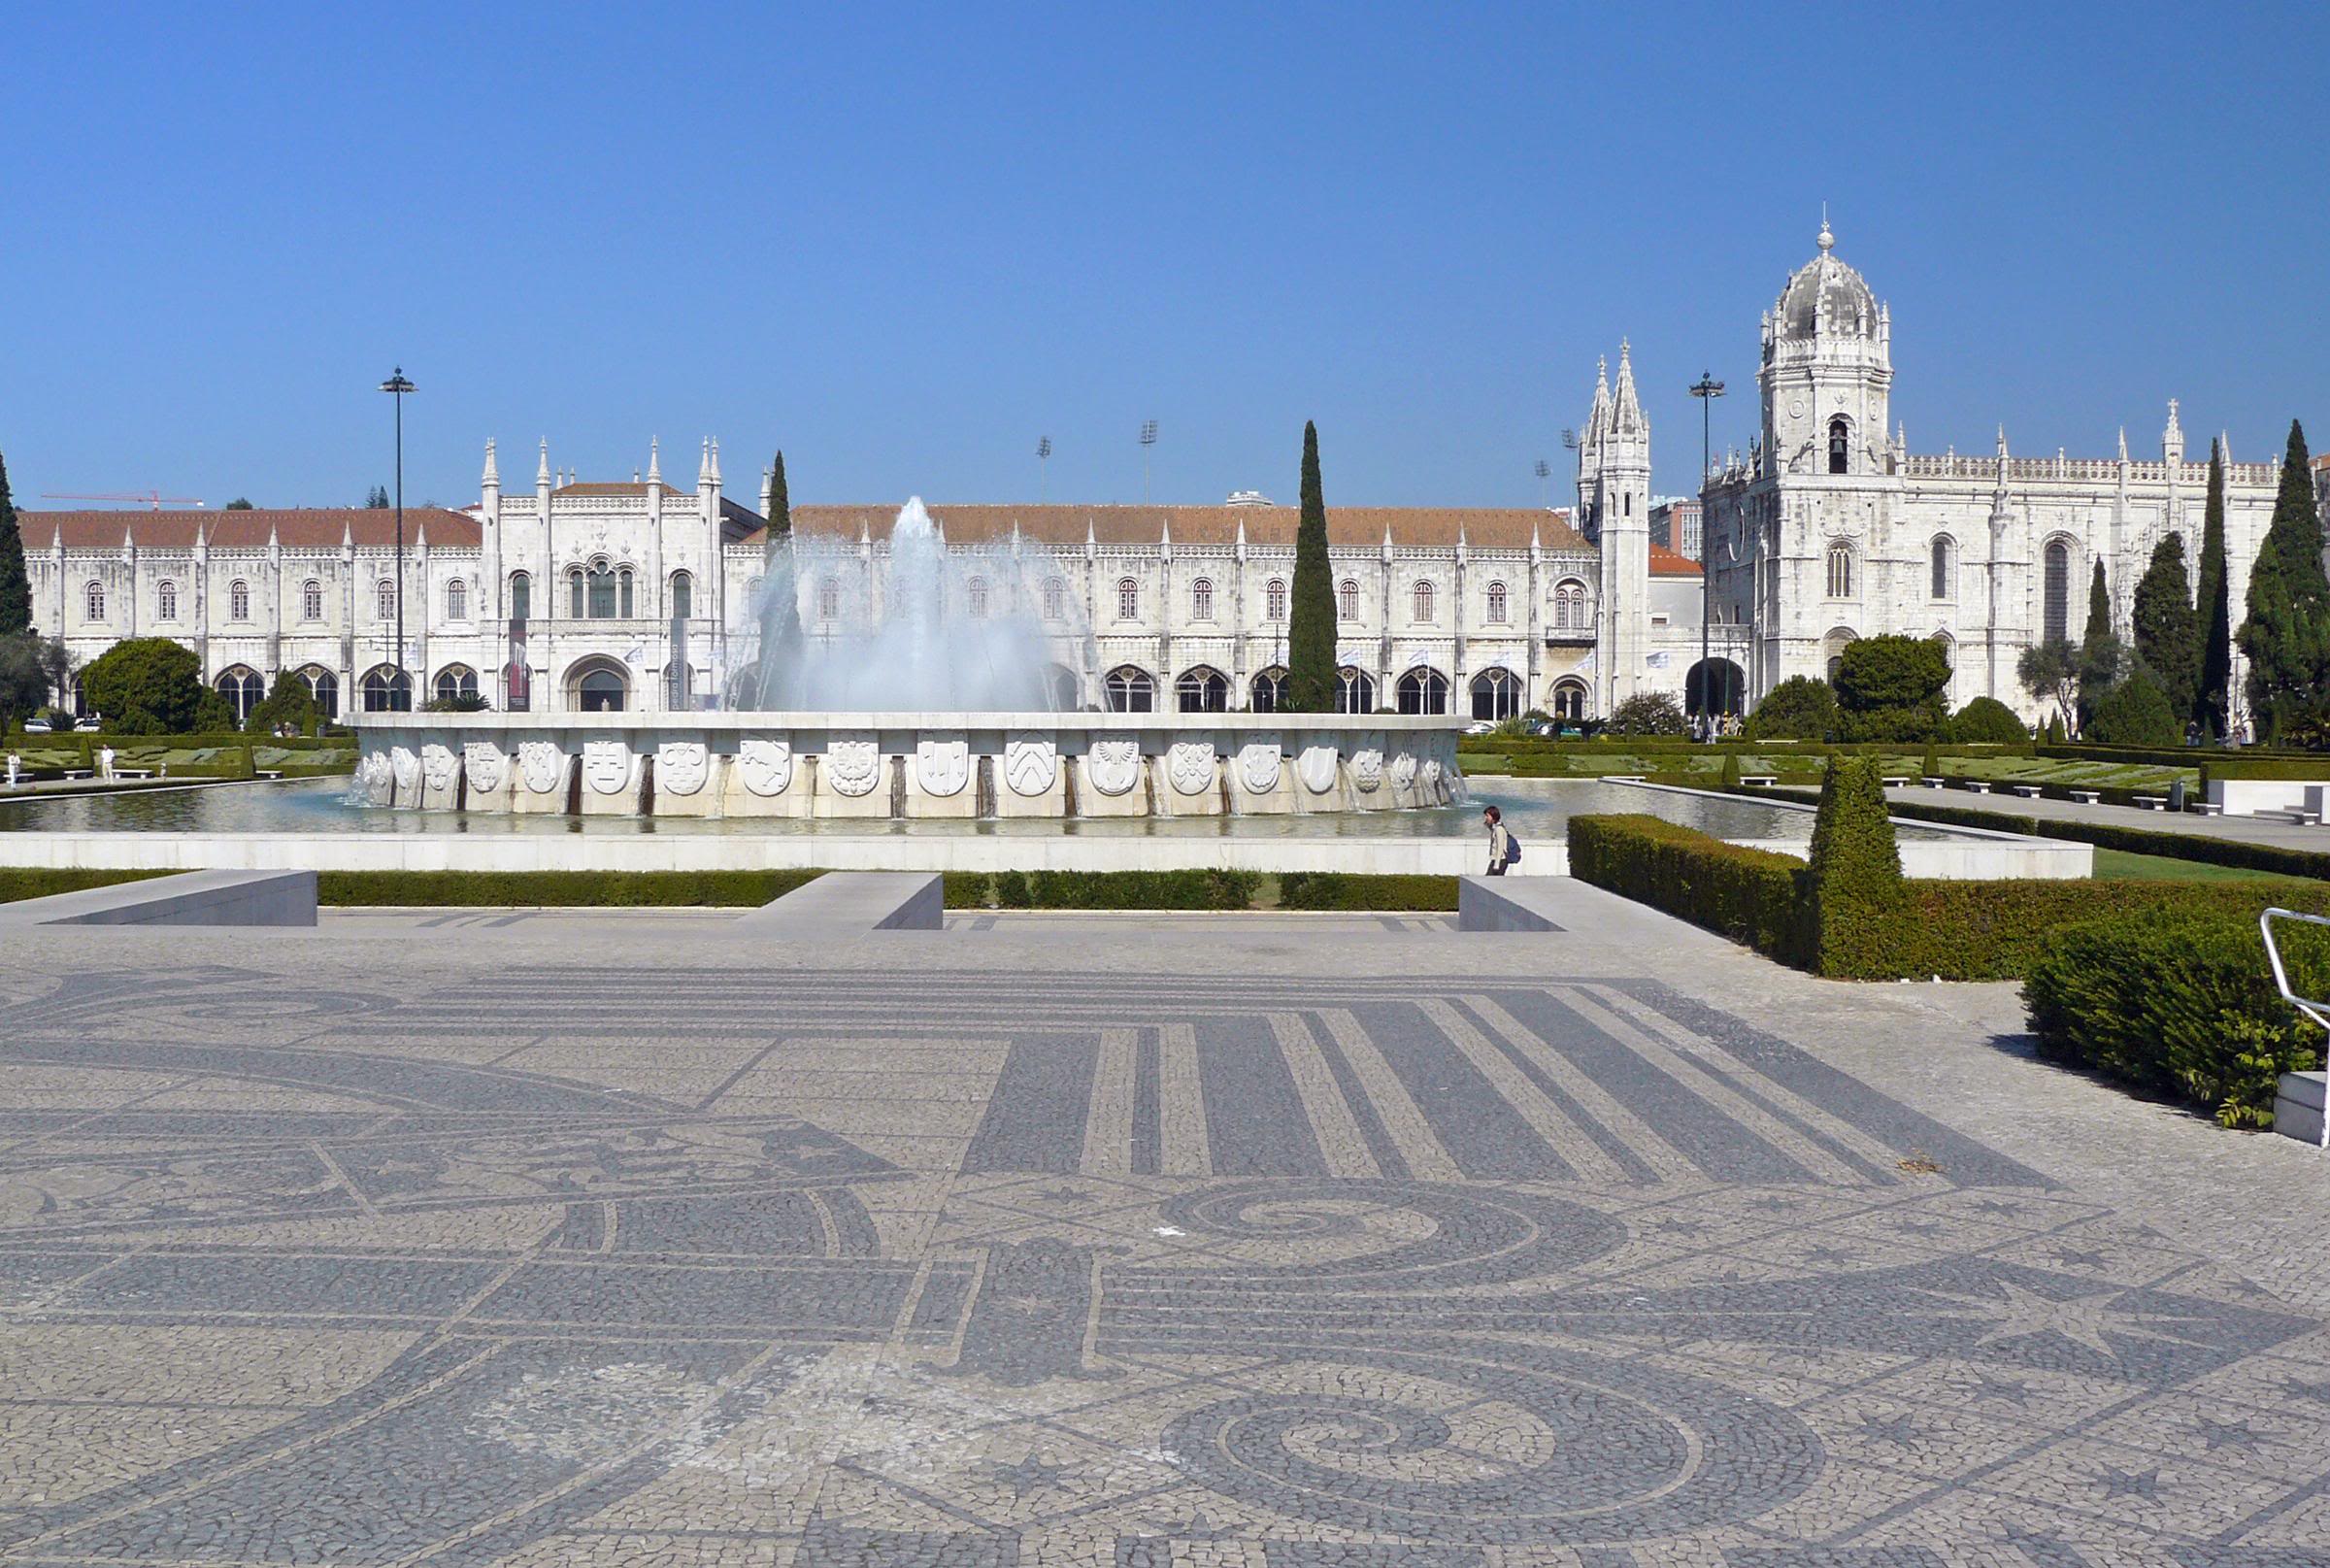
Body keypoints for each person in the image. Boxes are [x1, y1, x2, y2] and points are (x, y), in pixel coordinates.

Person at [1482, 804, 1512, 877]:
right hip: (1496, 860)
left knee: (1490, 882)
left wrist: (1496, 864)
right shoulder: (1496, 828)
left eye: (1487, 815)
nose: (1486, 817)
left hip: (1500, 860)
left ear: (1493, 816)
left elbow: (1500, 848)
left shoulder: (1499, 829)